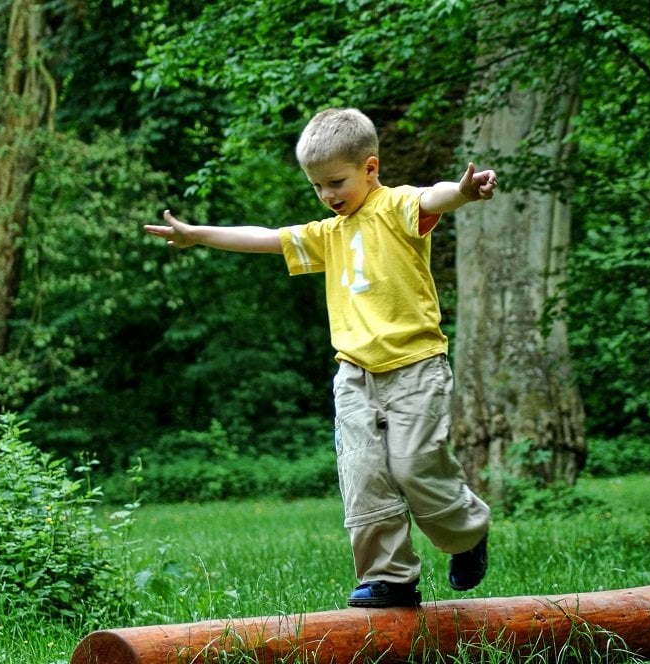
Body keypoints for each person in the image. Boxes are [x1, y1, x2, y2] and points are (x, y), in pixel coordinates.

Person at [144, 108, 494, 608]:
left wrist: (463, 192)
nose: (328, 195)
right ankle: (389, 577)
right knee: (364, 474)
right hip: (355, 374)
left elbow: (434, 195)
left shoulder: (396, 208)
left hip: (415, 367)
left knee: (415, 466)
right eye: (317, 187)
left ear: (370, 169)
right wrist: (199, 233)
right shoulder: (328, 234)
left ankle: (465, 534)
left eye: (336, 182)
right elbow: (266, 237)